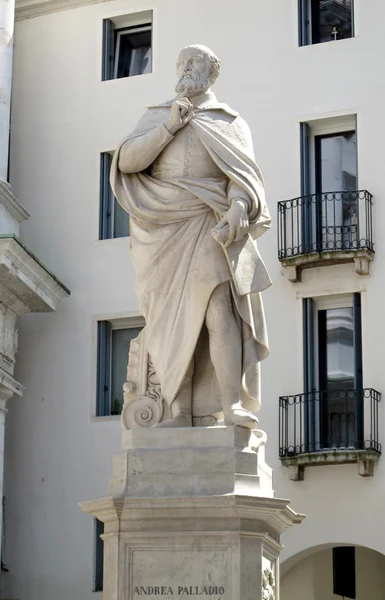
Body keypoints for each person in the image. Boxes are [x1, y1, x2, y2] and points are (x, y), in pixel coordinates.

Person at [111, 45, 271, 429]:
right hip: (162, 230)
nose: (185, 67)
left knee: (220, 311)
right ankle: (179, 409)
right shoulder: (156, 116)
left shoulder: (230, 122)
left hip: (208, 221)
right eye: (181, 62)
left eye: (194, 61)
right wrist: (169, 126)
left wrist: (236, 208)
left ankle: (229, 403)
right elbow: (128, 162)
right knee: (170, 320)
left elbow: (243, 180)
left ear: (212, 71)